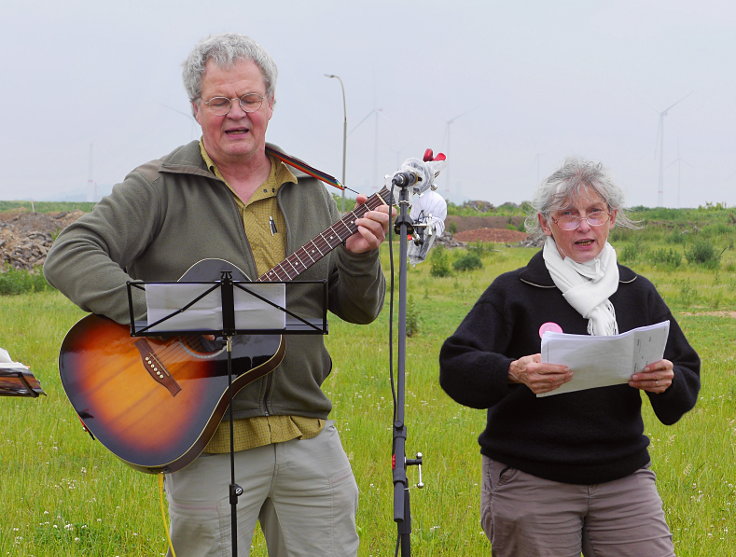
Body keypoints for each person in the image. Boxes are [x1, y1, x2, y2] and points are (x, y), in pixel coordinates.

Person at [44, 33, 392, 556]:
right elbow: (69, 254)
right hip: (207, 441)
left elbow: (359, 310)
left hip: (307, 433)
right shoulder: (158, 186)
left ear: (270, 105)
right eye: (220, 100)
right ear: (196, 109)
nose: (237, 113)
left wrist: (362, 256)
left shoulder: (312, 191)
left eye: (249, 99)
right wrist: (171, 315)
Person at [438, 158, 700, 557]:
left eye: (595, 212)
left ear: (611, 217)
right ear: (546, 224)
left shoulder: (635, 291)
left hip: (624, 478)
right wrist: (510, 372)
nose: (584, 226)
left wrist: (669, 381)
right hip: (532, 479)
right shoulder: (514, 290)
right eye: (568, 215)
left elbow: (686, 375)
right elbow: (455, 366)